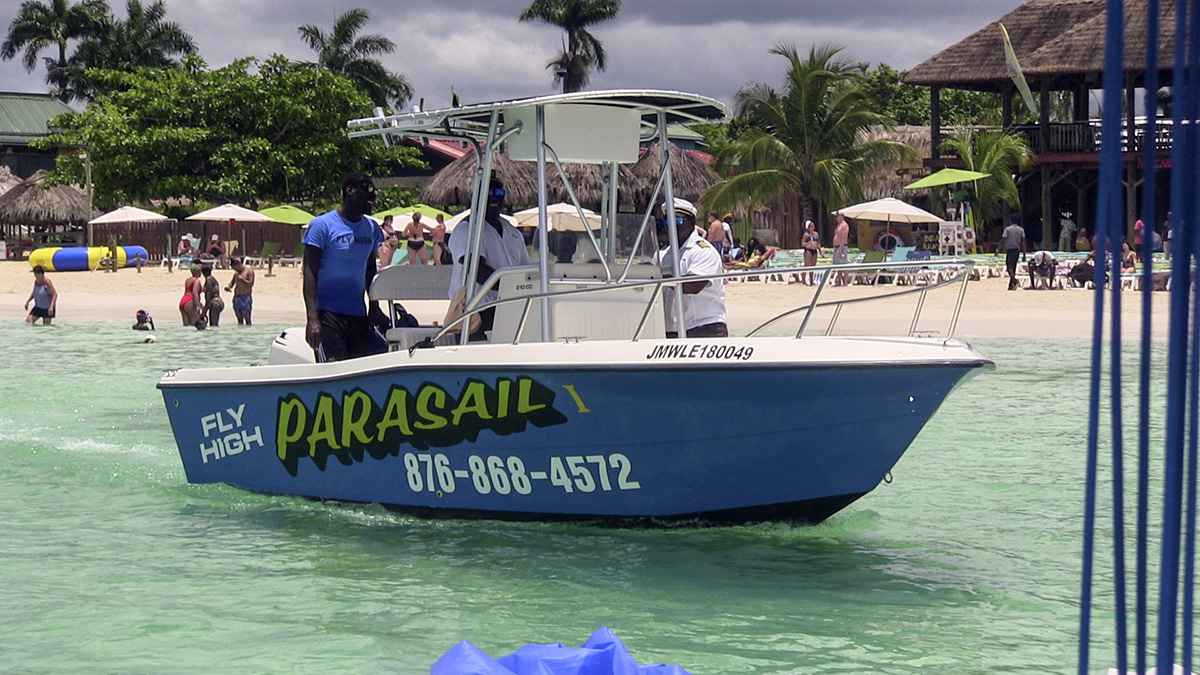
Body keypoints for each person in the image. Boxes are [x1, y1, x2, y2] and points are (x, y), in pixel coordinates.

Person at [302, 172, 389, 361]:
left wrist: (374, 307)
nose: (372, 198)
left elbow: (370, 271)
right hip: (328, 315)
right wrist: (312, 318)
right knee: (334, 372)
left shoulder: (372, 228)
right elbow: (309, 272)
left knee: (358, 374)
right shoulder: (321, 225)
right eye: (368, 191)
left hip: (358, 314)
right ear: (350, 191)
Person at [447, 173, 530, 341]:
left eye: (498, 193)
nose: (494, 197)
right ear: (476, 195)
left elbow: (525, 270)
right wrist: (511, 287)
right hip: (477, 312)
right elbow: (476, 270)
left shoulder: (512, 232)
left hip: (509, 308)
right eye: (488, 192)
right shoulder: (466, 230)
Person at [654, 198, 727, 338]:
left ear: (692, 223)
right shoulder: (662, 255)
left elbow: (693, 285)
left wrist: (660, 277)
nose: (672, 226)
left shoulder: (703, 251)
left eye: (678, 221)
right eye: (668, 222)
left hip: (705, 329)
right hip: (671, 330)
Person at [225, 257, 255, 325]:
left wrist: (242, 280)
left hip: (246, 297)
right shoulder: (236, 274)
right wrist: (229, 287)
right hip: (237, 297)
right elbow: (232, 283)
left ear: (238, 265)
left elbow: (251, 284)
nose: (235, 270)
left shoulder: (249, 271)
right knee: (239, 318)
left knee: (247, 318)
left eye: (235, 268)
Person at [1001, 221, 1026, 290]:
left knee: (1009, 267)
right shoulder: (1021, 230)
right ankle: (1010, 285)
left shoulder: (1007, 229)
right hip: (1017, 250)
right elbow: (1023, 242)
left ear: (1010, 221)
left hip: (1010, 250)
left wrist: (998, 248)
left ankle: (1014, 280)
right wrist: (1024, 254)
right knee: (1013, 267)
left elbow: (1003, 239)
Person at [179, 263, 205, 327]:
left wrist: (200, 303)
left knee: (186, 326)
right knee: (195, 325)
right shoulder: (196, 281)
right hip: (190, 301)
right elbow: (195, 293)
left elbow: (188, 292)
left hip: (183, 301)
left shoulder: (188, 280)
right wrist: (198, 306)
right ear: (197, 272)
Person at [832, 212, 850, 286]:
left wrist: (840, 248)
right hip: (837, 247)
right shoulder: (839, 225)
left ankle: (845, 283)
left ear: (841, 216)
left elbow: (844, 237)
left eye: (837, 216)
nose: (836, 218)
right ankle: (839, 281)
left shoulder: (844, 225)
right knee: (838, 266)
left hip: (841, 247)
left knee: (844, 265)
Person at [801, 220, 820, 285]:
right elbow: (802, 243)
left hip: (814, 251)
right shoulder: (806, 235)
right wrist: (808, 244)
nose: (813, 227)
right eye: (811, 226)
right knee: (807, 265)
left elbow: (818, 243)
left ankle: (811, 280)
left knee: (813, 266)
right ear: (808, 228)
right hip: (808, 250)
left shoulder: (816, 234)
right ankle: (803, 279)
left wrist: (820, 251)